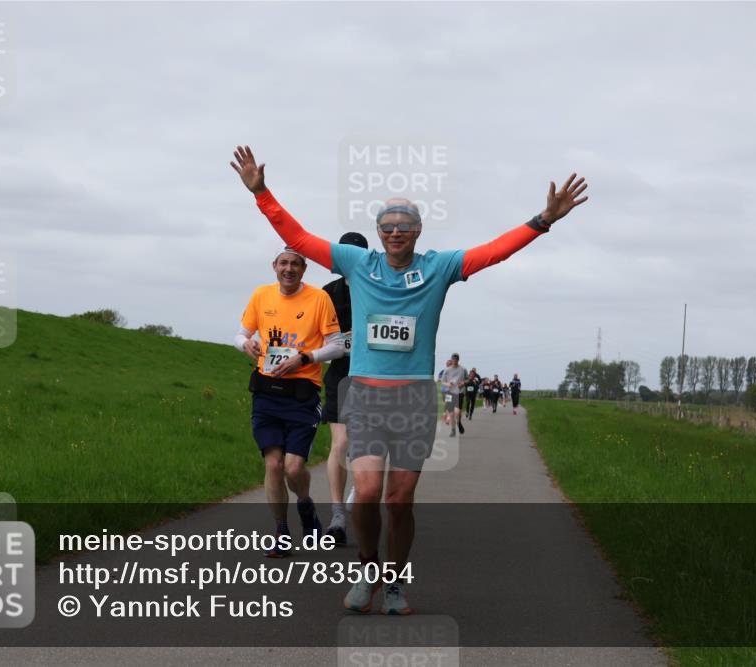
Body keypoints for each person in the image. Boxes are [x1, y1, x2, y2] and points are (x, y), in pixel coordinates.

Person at [230, 144, 588, 614]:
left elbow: (493, 252)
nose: (396, 233)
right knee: (369, 495)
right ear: (378, 234)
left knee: (399, 501)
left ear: (417, 232)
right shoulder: (358, 264)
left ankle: (394, 584)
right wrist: (261, 193)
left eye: (404, 227)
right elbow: (297, 236)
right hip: (366, 398)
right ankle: (367, 569)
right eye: (388, 227)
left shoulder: (438, 267)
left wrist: (543, 221)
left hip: (414, 400)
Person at [234, 247, 346, 557]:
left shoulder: (319, 299)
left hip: (302, 394)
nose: (289, 269)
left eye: (295, 264)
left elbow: (336, 347)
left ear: (304, 269)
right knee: (273, 465)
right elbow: (240, 334)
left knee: (294, 468)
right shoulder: (262, 295)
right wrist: (247, 344)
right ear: (274, 266)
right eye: (283, 263)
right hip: (267, 390)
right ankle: (281, 532)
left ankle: (306, 506)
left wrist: (305, 358)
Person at [321, 231, 369, 546]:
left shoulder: (380, 288)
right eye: (343, 254)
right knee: (341, 442)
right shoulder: (325, 294)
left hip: (373, 374)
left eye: (355, 255)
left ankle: (355, 496)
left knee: (365, 447)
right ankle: (338, 514)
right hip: (340, 372)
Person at [440, 353, 467, 437]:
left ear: (458, 360)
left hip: (459, 392)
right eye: (453, 359)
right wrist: (447, 384)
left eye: (456, 359)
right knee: (451, 413)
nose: (454, 361)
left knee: (457, 412)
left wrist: (463, 383)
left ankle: (458, 422)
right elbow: (442, 381)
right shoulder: (447, 370)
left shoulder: (463, 369)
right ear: (451, 360)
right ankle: (453, 430)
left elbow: (467, 379)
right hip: (449, 392)